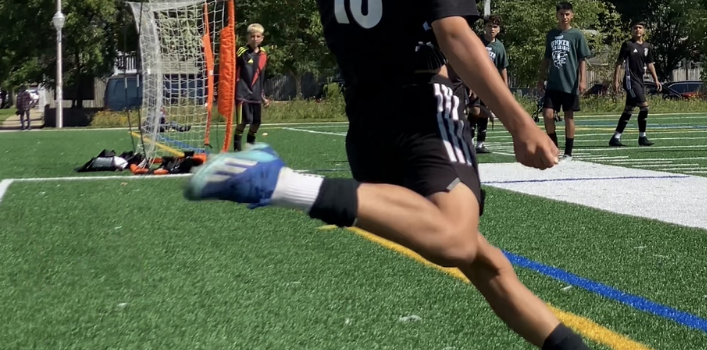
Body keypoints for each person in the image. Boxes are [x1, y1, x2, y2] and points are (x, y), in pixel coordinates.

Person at [183, 0, 592, 348]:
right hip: (424, 111)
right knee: (455, 238)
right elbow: (453, 34)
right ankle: (282, 183)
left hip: (366, 123)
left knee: (484, 262)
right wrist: (520, 124)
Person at [537, 2, 593, 159]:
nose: (564, 17)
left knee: (569, 116)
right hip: (553, 83)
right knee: (547, 114)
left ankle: (568, 152)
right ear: (557, 15)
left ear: (572, 15)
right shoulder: (551, 35)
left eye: (567, 14)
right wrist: (541, 78)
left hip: (570, 83)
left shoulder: (577, 35)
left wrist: (583, 80)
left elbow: (582, 59)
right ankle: (553, 148)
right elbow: (546, 58)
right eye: (561, 14)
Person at [609, 22, 662, 147]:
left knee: (629, 109)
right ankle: (642, 137)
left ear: (644, 31)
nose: (637, 30)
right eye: (635, 28)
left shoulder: (647, 46)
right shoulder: (628, 45)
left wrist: (656, 79)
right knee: (644, 107)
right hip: (630, 81)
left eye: (640, 28)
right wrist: (616, 81)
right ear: (632, 31)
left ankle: (615, 138)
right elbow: (619, 63)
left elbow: (650, 64)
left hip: (639, 81)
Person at [467, 15, 510, 154]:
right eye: (489, 26)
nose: (492, 29)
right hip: (475, 81)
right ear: (484, 27)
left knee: (484, 113)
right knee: (474, 110)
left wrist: (505, 86)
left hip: (490, 84)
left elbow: (502, 67)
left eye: (495, 27)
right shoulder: (477, 41)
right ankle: (468, 140)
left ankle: (480, 143)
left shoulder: (499, 46)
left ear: (499, 29)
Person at [234, 23, 270, 151]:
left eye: (258, 36)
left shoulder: (263, 54)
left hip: (256, 95)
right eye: (252, 36)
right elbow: (233, 70)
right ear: (248, 38)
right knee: (244, 121)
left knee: (256, 123)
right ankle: (237, 149)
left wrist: (263, 97)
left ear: (262, 38)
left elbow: (260, 77)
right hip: (242, 94)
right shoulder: (241, 52)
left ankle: (250, 147)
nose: (255, 39)